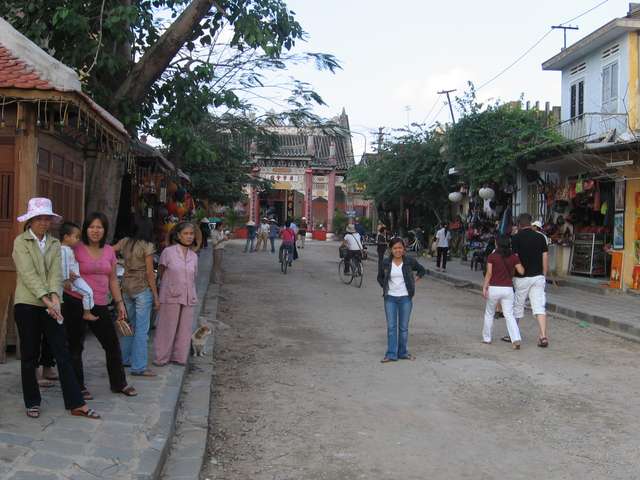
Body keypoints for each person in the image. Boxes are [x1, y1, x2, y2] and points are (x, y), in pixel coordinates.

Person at [13, 198, 99, 419]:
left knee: (62, 352)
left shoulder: (53, 244)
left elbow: (55, 274)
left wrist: (54, 298)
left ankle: (75, 403)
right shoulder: (20, 242)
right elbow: (28, 274)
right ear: (30, 220)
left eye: (47, 218)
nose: (43, 222)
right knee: (30, 354)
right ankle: (32, 401)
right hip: (27, 304)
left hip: (52, 303)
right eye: (39, 218)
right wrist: (47, 299)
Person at [62, 212, 137, 400]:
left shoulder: (109, 251)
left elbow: (112, 279)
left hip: (100, 303)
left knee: (112, 344)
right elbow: (61, 264)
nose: (95, 231)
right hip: (75, 301)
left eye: (100, 227)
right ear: (86, 229)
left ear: (105, 230)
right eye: (92, 227)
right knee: (75, 346)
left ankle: (119, 383)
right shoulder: (75, 248)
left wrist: (120, 303)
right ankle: (78, 386)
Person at [113, 217, 159, 377]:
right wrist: (156, 296)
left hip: (126, 287)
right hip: (141, 288)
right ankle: (139, 366)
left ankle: (125, 359)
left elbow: (109, 250)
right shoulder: (148, 246)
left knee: (128, 325)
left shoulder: (125, 241)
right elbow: (149, 273)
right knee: (142, 330)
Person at [154, 222, 199, 366]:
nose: (189, 237)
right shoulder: (168, 252)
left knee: (185, 328)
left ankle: (179, 357)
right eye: (186, 234)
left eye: (191, 234)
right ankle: (161, 358)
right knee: (166, 327)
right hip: (170, 294)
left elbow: (194, 276)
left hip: (188, 295)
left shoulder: (194, 256)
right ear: (178, 235)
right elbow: (161, 272)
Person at [377, 237, 426, 363]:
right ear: (391, 250)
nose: (398, 250)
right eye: (395, 248)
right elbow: (380, 277)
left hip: (405, 298)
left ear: (404, 249)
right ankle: (391, 354)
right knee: (392, 327)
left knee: (403, 328)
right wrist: (386, 286)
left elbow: (422, 270)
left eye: (400, 248)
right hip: (390, 299)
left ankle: (403, 352)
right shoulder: (386, 263)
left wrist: (415, 280)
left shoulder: (409, 261)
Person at [504, 213, 550, 347]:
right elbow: (545, 257)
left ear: (519, 224)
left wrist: (512, 275)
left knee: (518, 305)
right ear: (531, 223)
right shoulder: (541, 238)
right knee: (539, 307)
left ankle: (514, 334)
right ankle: (543, 336)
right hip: (538, 277)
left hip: (521, 278)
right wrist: (544, 275)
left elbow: (515, 259)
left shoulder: (516, 239)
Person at [482, 236, 524, 349]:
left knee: (489, 313)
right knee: (509, 315)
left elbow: (489, 273)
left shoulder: (492, 257)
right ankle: (515, 339)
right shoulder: (514, 257)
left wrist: (485, 287)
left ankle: (487, 338)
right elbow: (521, 271)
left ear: (497, 244)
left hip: (494, 288)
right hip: (508, 289)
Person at [59, 222, 98, 322]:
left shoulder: (67, 249)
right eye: (76, 237)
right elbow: (64, 265)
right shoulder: (64, 250)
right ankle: (87, 313)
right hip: (72, 280)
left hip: (73, 278)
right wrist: (66, 279)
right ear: (66, 237)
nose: (78, 240)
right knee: (88, 292)